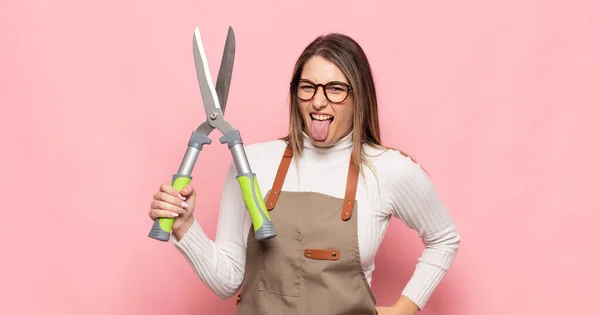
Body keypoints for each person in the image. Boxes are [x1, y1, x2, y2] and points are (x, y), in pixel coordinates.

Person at [148, 33, 461, 315]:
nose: (319, 101)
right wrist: (185, 227)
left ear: (359, 96)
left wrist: (403, 309)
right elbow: (228, 281)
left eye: (335, 89)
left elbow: (444, 238)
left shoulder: (388, 170)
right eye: (307, 87)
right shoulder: (252, 163)